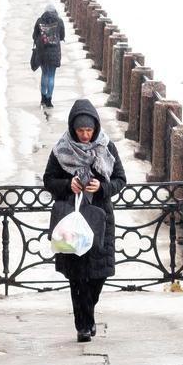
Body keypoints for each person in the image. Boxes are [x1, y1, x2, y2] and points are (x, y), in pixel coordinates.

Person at [43, 99, 126, 342]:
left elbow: (121, 179)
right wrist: (67, 185)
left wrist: (102, 187)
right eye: (81, 131)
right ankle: (83, 325)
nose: (86, 135)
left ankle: (87, 314)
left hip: (100, 219)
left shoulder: (106, 146)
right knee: (77, 276)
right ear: (73, 129)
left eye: (89, 130)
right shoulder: (61, 149)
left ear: (96, 128)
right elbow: (49, 180)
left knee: (98, 275)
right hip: (72, 218)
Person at [32, 5, 64, 107]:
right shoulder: (59, 21)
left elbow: (34, 36)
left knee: (44, 74)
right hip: (54, 52)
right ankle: (49, 100)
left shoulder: (39, 20)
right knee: (51, 76)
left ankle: (43, 98)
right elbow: (62, 35)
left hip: (42, 52)